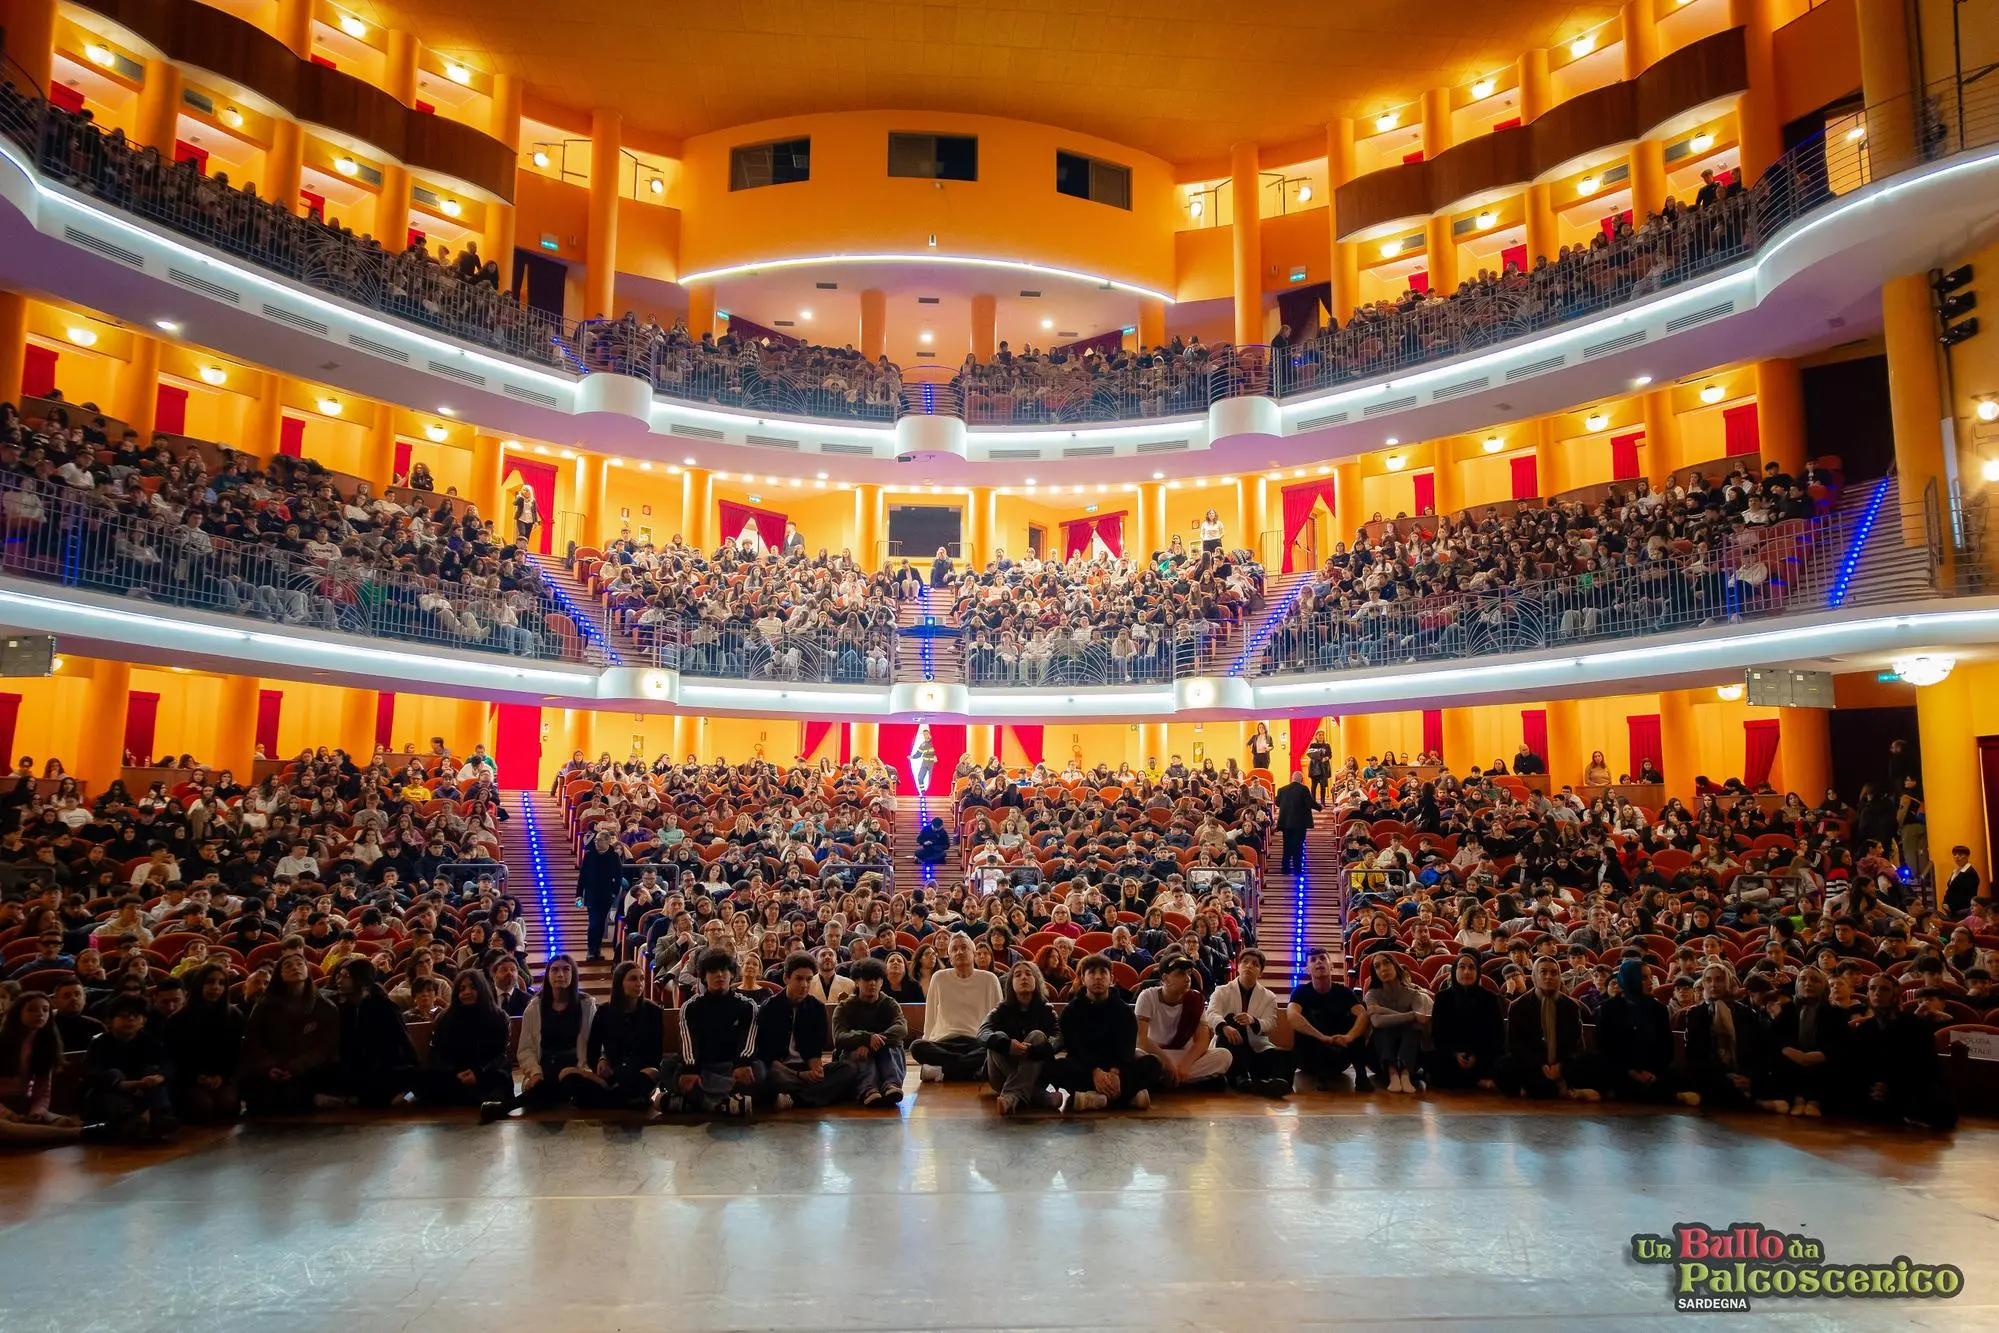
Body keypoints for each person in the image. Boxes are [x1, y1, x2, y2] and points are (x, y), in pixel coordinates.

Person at [487, 955, 597, 1120]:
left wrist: (582, 1069)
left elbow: (593, 1044)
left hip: (575, 1067)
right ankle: (541, 1095)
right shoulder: (534, 1007)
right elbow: (526, 1049)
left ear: (573, 974)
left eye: (566, 969)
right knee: (545, 1085)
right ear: (548, 975)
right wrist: (535, 1073)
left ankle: (507, 1106)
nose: (560, 974)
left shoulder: (586, 1005)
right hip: (545, 1065)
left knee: (570, 1082)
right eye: (555, 970)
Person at [1845, 972, 1957, 1131]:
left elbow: (1924, 1066)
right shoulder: (1864, 1029)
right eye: (1872, 988)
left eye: (1884, 989)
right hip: (1875, 1088)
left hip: (1908, 1086)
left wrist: (1891, 1086)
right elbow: (1859, 1065)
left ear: (1894, 995)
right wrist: (1875, 1086)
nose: (1877, 993)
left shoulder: (1916, 1025)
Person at [1050, 954, 1159, 1110]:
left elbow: (1127, 1047)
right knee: (1057, 1067)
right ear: (1083, 978)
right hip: (1086, 1068)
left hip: (1117, 1069)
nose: (1098, 977)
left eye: (1103, 973)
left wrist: (1115, 1071)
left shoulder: (1123, 1010)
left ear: (1111, 979)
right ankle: (1127, 1098)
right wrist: (1094, 1072)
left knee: (1153, 1063)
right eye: (1092, 973)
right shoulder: (1071, 1011)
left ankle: (1095, 1099)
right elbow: (1074, 1047)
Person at [754, 952, 860, 1110]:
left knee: (848, 1069)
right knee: (767, 1076)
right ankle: (811, 1096)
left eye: (809, 979)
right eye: (799, 979)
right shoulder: (769, 1008)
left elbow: (815, 1050)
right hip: (781, 1070)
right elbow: (767, 1057)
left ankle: (794, 1099)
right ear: (786, 978)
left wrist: (815, 1070)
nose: (804, 984)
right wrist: (799, 1076)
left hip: (804, 1068)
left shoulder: (816, 1007)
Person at [241, 951, 340, 1115]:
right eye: (288, 965)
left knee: (296, 1100)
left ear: (307, 970)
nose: (295, 967)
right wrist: (269, 1066)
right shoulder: (265, 1006)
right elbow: (253, 1041)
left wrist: (298, 1066)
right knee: (265, 1102)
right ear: (279, 974)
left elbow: (326, 1046)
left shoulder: (325, 1007)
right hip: (272, 1068)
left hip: (309, 1068)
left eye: (299, 964)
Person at [666, 950, 758, 1116]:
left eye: (724, 970)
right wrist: (691, 1069)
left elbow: (749, 1041)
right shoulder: (691, 1007)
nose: (720, 975)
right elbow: (687, 1042)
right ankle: (725, 1103)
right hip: (702, 1066)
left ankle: (693, 1101)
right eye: (713, 971)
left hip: (732, 1066)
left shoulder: (747, 1006)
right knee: (667, 1067)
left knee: (759, 1070)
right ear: (703, 977)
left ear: (732, 974)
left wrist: (742, 1063)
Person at [573, 961, 665, 1112]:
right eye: (633, 979)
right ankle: (623, 1098)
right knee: (572, 1077)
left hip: (639, 1073)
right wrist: (602, 1062)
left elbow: (655, 1055)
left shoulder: (652, 1011)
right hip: (612, 1072)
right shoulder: (604, 1012)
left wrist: (629, 1070)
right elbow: (592, 1052)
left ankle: (612, 1098)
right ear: (620, 983)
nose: (639, 984)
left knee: (651, 1074)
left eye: (642, 979)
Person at [82, 996, 177, 1140]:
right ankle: (130, 1121)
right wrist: (120, 1083)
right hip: (112, 1092)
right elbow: (91, 1073)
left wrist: (159, 1077)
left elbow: (167, 1063)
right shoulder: (100, 1043)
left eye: (136, 1016)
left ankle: (161, 1115)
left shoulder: (148, 1041)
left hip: (143, 1088)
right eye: (124, 1016)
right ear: (110, 1021)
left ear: (143, 1021)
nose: (131, 1019)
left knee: (155, 1072)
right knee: (113, 1076)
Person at [415, 971, 514, 1109]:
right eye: (461, 989)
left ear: (482, 989)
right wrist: (455, 1074)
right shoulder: (445, 1018)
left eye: (473, 987)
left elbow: (500, 1055)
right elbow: (436, 1054)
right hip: (453, 1075)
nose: (467, 992)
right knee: (426, 1077)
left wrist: (478, 1074)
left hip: (484, 1074)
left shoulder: (498, 1017)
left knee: (501, 1076)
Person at [1503, 957, 1597, 1100]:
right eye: (1543, 972)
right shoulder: (1518, 1005)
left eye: (1554, 973)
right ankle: (1566, 1091)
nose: (1549, 977)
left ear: (1559, 977)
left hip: (1562, 1065)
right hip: (1533, 1066)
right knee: (1504, 1066)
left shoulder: (1570, 1006)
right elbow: (1515, 1045)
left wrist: (1560, 1067)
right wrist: (1540, 1065)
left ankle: (1536, 1089)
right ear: (1534, 975)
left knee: (1592, 1061)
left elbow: (1576, 1044)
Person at [913, 934, 1002, 1082]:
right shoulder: (939, 977)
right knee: (917, 1047)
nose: (959, 952)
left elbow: (999, 1019)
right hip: (944, 1043)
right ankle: (970, 1069)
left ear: (974, 954)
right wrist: (927, 1039)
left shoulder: (989, 979)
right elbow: (930, 1017)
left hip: (976, 1042)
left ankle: (942, 1070)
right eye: (954, 949)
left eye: (964, 948)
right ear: (950, 956)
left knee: (993, 1050)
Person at [978, 959, 1063, 1114]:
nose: (1023, 977)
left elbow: (1058, 1037)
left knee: (1037, 1036)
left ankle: (1012, 1096)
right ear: (1011, 984)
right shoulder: (1000, 1009)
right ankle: (1039, 1096)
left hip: (1037, 1073)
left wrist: (1035, 1050)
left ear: (1036, 981)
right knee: (998, 1037)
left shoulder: (1047, 1010)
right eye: (1018, 975)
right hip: (1001, 1073)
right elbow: (983, 1033)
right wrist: (1006, 1045)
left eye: (1028, 974)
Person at [1135, 956, 1232, 1090]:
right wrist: (1167, 1062)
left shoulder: (1195, 999)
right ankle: (1190, 1081)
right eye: (1181, 974)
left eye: (1189, 973)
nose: (1187, 979)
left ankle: (1165, 1080)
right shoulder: (1147, 996)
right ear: (1164, 978)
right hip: (1156, 1055)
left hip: (1185, 1056)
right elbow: (1142, 1039)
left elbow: (1203, 1041)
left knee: (1224, 1056)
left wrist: (1185, 1065)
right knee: (1137, 1055)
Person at [1205, 948, 1291, 1098]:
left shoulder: (1268, 997)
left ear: (1261, 972)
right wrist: (1224, 1027)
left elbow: (1271, 1023)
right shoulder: (1221, 991)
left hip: (1255, 1046)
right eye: (1245, 962)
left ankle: (1258, 1083)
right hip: (1230, 1045)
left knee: (1284, 1058)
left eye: (1255, 964)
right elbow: (1211, 1013)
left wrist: (1253, 1021)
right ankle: (1246, 1079)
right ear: (1238, 967)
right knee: (1232, 1019)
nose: (1249, 966)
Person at [332, 958, 417, 1108]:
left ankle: (408, 1095)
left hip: (389, 1068)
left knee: (413, 1089)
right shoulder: (346, 1007)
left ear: (360, 979)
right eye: (339, 975)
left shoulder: (383, 1007)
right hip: (363, 1070)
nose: (339, 980)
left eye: (346, 976)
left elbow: (394, 1050)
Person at [163, 962, 243, 1122]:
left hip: (222, 1077)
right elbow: (174, 1057)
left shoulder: (234, 1016)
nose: (215, 987)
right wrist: (196, 1077)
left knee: (227, 1107)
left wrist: (222, 1076)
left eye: (221, 983)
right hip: (189, 1079)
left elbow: (236, 1053)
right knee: (202, 1107)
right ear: (199, 984)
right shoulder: (178, 1019)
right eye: (210, 981)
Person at [1676, 964, 1762, 1111]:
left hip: (1743, 1072)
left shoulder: (1747, 1014)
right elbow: (1696, 1055)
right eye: (1708, 980)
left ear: (1728, 982)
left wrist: (1748, 1077)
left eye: (1719, 980)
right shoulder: (1696, 1014)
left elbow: (1756, 1051)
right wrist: (1727, 1077)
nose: (1713, 985)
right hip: (1712, 1074)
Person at [1591, 959, 1675, 1103]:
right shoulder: (1607, 1009)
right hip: (1619, 1070)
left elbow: (1666, 1048)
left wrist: (1650, 1073)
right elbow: (1605, 1047)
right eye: (1644, 977)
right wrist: (1632, 1072)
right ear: (1629, 979)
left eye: (1650, 977)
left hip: (1651, 1071)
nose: (1650, 982)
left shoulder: (1659, 1010)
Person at [1761, 966, 1838, 1117]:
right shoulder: (1787, 1010)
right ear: (1797, 985)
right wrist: (1798, 1055)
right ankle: (1798, 1098)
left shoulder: (1835, 1013)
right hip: (1791, 1061)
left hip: (1820, 1061)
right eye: (1803, 979)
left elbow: (1837, 1044)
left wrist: (1810, 1057)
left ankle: (1815, 1101)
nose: (1808, 983)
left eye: (1815, 980)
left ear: (1824, 986)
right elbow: (1774, 1038)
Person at [1287, 947, 1366, 1092]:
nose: (1318, 962)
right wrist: (1321, 1037)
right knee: (1306, 1017)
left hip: (1339, 1053)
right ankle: (1317, 1076)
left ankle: (1362, 1077)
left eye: (1323, 959)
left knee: (1353, 1019)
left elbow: (1363, 1015)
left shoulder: (1344, 992)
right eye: (1313, 960)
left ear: (1331, 966)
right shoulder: (1300, 992)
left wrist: (1349, 1037)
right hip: (1308, 1058)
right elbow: (1292, 1016)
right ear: (1307, 969)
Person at [834, 956, 909, 1107]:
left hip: (884, 1053)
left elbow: (901, 1028)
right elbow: (839, 1037)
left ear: (882, 982)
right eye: (867, 979)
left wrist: (875, 1040)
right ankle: (868, 1090)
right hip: (855, 1058)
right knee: (857, 1051)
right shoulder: (844, 1007)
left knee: (893, 1046)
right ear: (857, 981)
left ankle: (892, 1085)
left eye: (876, 979)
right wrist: (866, 1038)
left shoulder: (889, 1003)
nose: (872, 983)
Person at [1426, 954, 1504, 1090]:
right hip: (1452, 1055)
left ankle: (1467, 1081)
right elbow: (1437, 1033)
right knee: (1433, 1062)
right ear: (1454, 971)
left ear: (1477, 972)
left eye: (1471, 968)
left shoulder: (1490, 998)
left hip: (1482, 1054)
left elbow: (1497, 1034)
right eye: (1462, 967)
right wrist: (1455, 1054)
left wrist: (1476, 1054)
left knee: (1501, 1063)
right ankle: (1478, 1082)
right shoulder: (1442, 998)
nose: (1466, 972)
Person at [1361, 954, 1428, 1093]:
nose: (1383, 969)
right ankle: (1393, 1074)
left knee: (1411, 1030)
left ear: (1396, 966)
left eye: (1386, 963)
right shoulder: (1372, 994)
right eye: (1377, 967)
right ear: (1375, 973)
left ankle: (1405, 1075)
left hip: (1413, 1055)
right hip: (1379, 1058)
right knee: (1384, 1029)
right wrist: (1412, 1015)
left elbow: (1419, 1023)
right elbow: (1377, 1022)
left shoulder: (1415, 995)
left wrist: (1381, 1010)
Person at [576, 828, 626, 963]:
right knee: (593, 923)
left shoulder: (614, 856)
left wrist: (614, 893)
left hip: (606, 895)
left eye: (599, 840)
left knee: (600, 922)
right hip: (592, 894)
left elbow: (618, 876)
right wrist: (579, 894)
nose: (596, 842)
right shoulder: (589, 855)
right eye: (596, 840)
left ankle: (597, 949)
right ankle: (591, 950)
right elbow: (583, 876)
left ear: (608, 841)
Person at [1275, 770, 1320, 877]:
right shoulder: (1304, 789)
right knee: (1298, 846)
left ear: (1292, 778)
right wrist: (1319, 807)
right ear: (1301, 779)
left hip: (1285, 823)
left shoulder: (1282, 789)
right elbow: (1309, 803)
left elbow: (1277, 803)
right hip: (1300, 824)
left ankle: (1285, 869)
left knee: (1286, 846)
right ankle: (1297, 869)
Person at [1944, 845, 1982, 916]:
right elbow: (1950, 889)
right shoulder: (1955, 871)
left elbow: (1965, 894)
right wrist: (1945, 902)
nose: (1957, 857)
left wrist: (1951, 906)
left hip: (1963, 910)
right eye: (1955, 855)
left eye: (1960, 854)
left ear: (1967, 856)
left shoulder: (1970, 872)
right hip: (1952, 909)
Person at [908, 724, 937, 798]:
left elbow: (939, 752)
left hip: (932, 764)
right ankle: (923, 792)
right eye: (924, 734)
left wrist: (936, 757)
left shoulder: (934, 743)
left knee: (932, 780)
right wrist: (911, 757)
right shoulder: (922, 744)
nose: (925, 736)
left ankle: (931, 793)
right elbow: (918, 754)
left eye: (927, 734)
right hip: (924, 763)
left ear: (930, 734)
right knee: (920, 777)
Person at [1305, 729, 1334, 802]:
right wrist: (1316, 757)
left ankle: (1323, 802)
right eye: (1319, 735)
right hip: (1315, 766)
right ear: (1316, 736)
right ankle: (1312, 801)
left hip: (1324, 766)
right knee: (1314, 786)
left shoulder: (1327, 745)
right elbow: (1310, 754)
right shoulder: (1313, 745)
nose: (1321, 736)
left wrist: (1326, 758)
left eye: (1322, 735)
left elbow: (1330, 755)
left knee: (1323, 785)